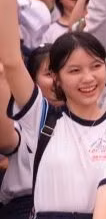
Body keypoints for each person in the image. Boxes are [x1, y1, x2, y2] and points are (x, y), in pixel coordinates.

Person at [0, 0, 106, 219]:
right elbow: (11, 61)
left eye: (96, 66)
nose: (88, 78)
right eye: (74, 70)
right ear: (56, 77)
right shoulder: (41, 119)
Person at [0, 46, 54, 219]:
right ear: (31, 79)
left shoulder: (90, 116)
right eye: (49, 74)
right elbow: (7, 141)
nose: (57, 80)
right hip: (25, 205)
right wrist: (2, 76)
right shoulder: (19, 116)